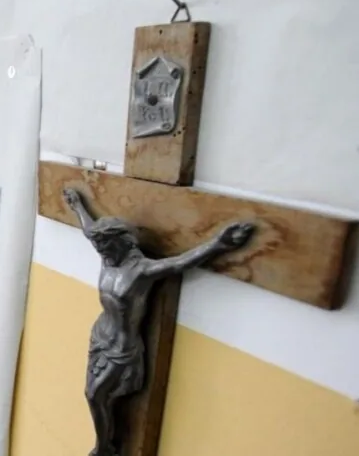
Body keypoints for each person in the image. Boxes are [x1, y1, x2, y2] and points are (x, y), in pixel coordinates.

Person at [63, 188, 253, 456]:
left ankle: (103, 448)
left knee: (94, 395)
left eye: (105, 246)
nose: (101, 252)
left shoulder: (141, 270)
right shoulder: (108, 260)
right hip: (100, 338)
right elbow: (89, 230)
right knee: (98, 397)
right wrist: (77, 205)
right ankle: (105, 445)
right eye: (98, 247)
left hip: (122, 348)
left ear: (120, 243)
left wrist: (219, 244)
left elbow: (179, 263)